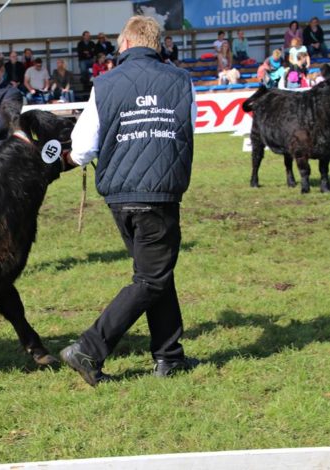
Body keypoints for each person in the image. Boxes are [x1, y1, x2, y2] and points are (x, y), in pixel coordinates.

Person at [61, 15, 199, 386]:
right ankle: (90, 347)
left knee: (156, 274)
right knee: (152, 278)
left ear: (124, 44)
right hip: (160, 193)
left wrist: (70, 162)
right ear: (158, 44)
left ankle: (169, 356)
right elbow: (190, 126)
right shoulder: (182, 81)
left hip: (120, 196)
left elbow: (84, 145)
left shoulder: (104, 85)